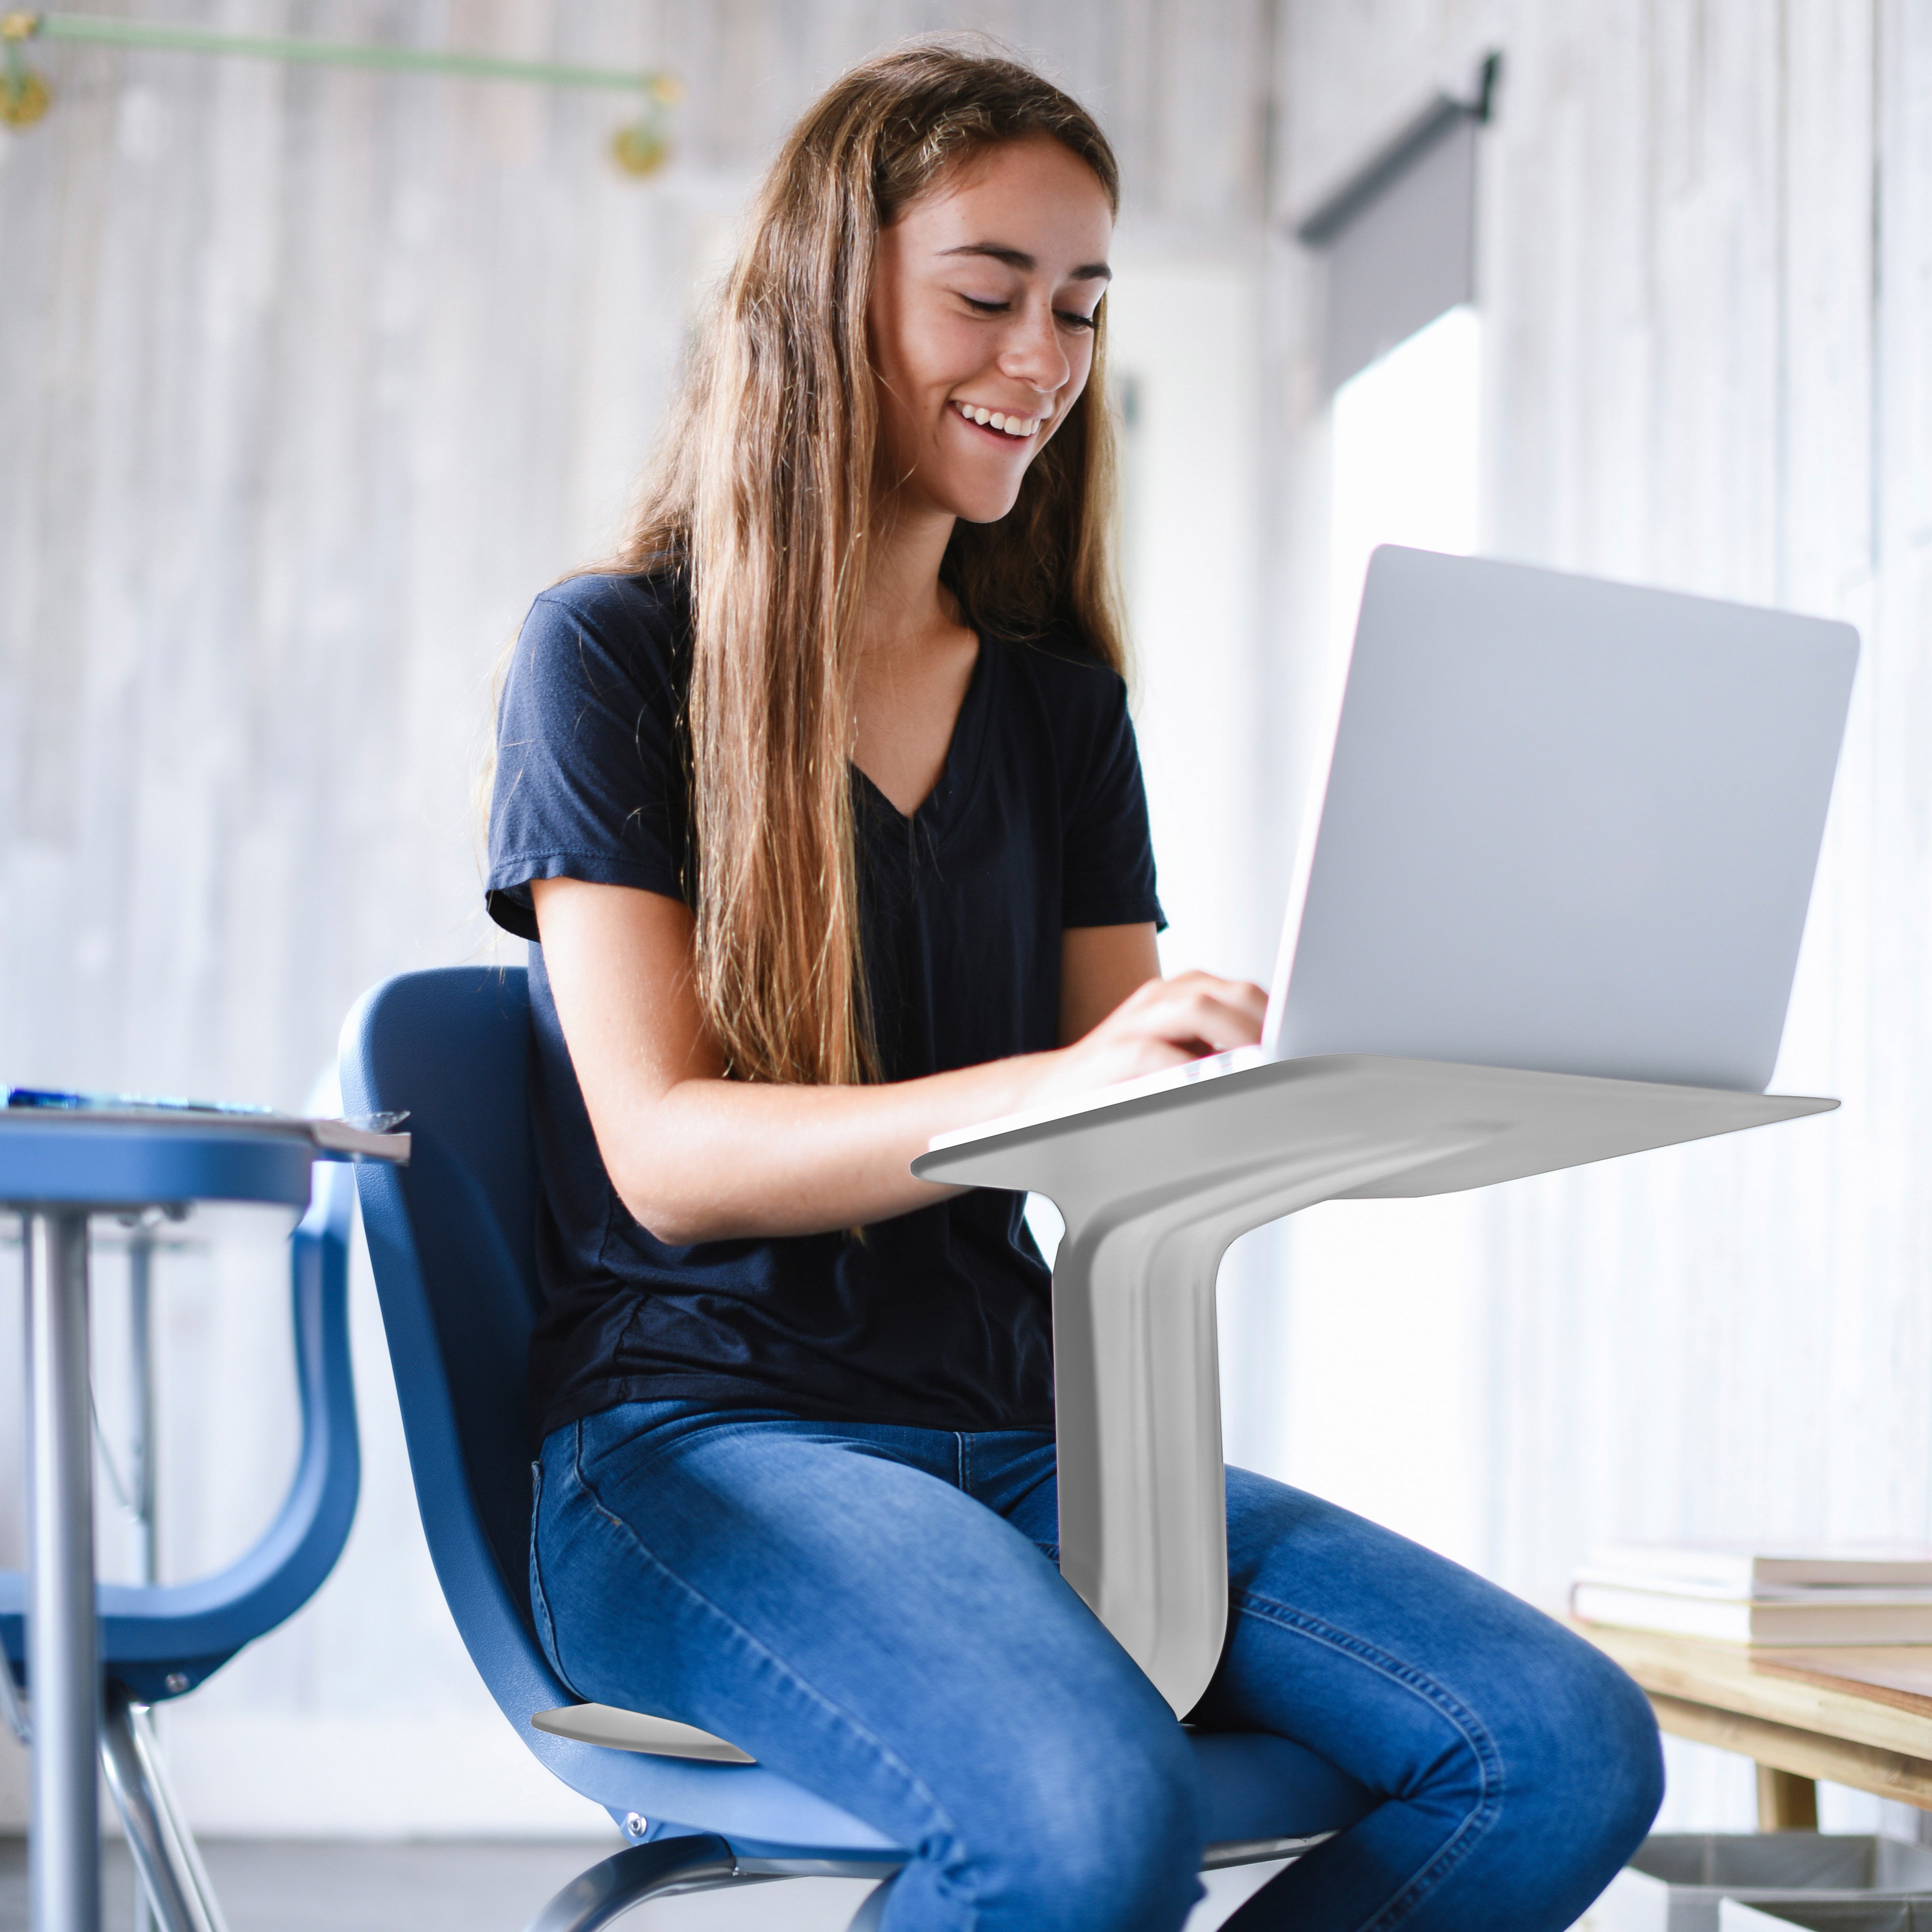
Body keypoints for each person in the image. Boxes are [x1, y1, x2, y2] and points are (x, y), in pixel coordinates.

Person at [484, 42, 1662, 1932]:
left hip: (1036, 1438)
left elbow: (1115, 1125)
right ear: (827, 291)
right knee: (1086, 1818)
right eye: (986, 294)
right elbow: (670, 1155)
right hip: (703, 1441)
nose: (1042, 360)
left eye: (1082, 311)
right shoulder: (611, 653)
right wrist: (1054, 1085)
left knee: (1560, 1745)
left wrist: (1299, 1080)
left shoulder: (1054, 707)